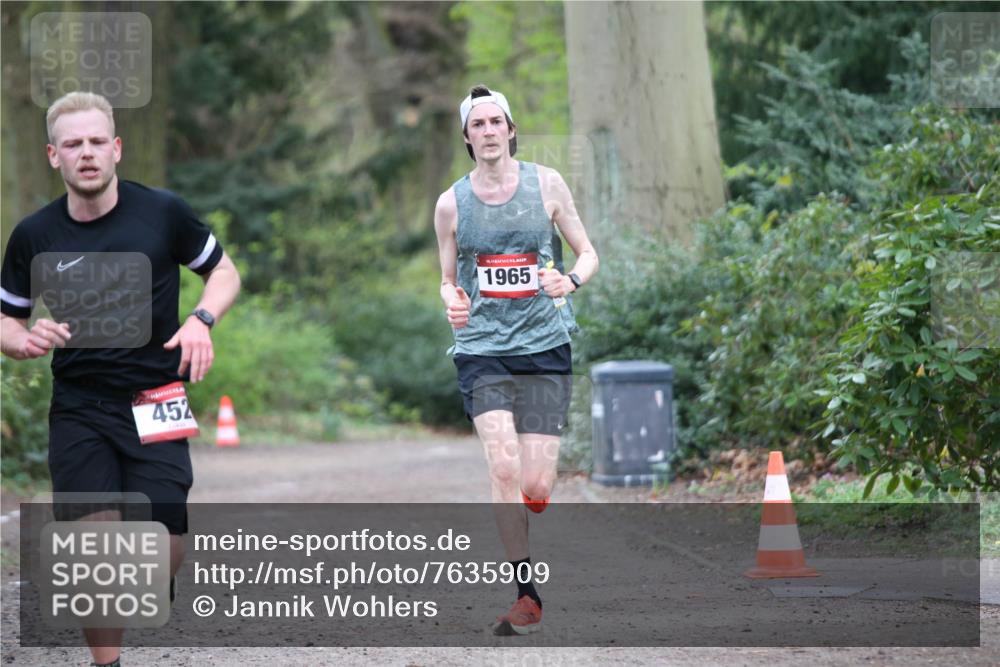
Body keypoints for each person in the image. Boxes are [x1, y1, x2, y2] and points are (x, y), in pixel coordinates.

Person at [0, 91, 241, 666]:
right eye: (72, 144)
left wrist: (202, 320)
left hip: (156, 396)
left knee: (163, 540)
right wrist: (23, 341)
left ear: (117, 149)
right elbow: (7, 319)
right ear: (53, 155)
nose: (86, 154)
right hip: (80, 405)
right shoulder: (34, 236)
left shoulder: (162, 212)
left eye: (95, 142)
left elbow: (223, 273)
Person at [433, 84, 598, 635]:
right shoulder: (451, 203)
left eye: (494, 122)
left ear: (510, 129)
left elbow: (588, 252)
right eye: (476, 125)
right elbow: (447, 281)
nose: (486, 132)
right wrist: (452, 302)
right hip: (482, 352)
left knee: (538, 484)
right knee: (502, 468)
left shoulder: (546, 183)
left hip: (546, 347)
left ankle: (536, 495)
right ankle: (526, 593)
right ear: (466, 137)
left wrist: (568, 280)